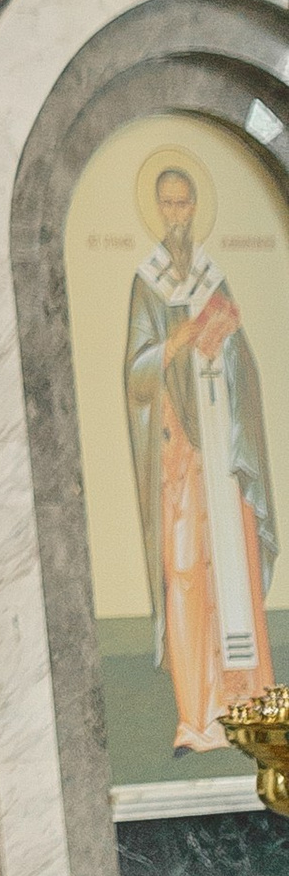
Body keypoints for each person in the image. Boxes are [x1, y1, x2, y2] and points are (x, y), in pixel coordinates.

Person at [126, 159, 280, 752]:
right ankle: (198, 717)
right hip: (182, 459)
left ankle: (249, 702)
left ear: (195, 208)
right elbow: (136, 372)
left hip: (224, 452)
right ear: (157, 210)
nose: (176, 214)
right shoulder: (148, 283)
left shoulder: (215, 279)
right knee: (187, 574)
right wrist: (177, 341)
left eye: (184, 203)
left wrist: (225, 341)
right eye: (167, 204)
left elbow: (245, 365)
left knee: (233, 564)